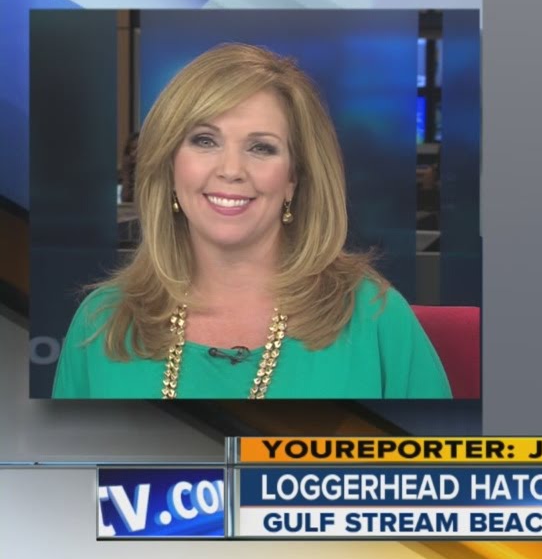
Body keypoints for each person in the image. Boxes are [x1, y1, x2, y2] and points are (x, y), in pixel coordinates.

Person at [53, 42, 453, 400]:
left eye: (261, 148)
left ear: (294, 178)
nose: (231, 170)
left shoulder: (375, 317)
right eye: (205, 140)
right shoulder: (101, 321)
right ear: (170, 164)